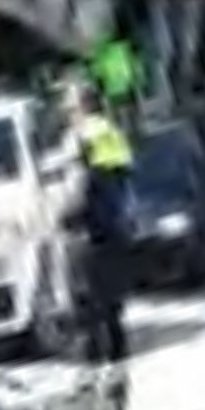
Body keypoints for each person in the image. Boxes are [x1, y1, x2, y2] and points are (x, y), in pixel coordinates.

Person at [67, 84, 137, 386]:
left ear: (80, 106)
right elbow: (124, 183)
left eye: (69, 104)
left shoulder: (82, 136)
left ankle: (90, 381)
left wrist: (63, 219)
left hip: (91, 235)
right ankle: (119, 379)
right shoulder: (113, 133)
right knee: (112, 312)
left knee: (87, 312)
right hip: (117, 233)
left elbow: (79, 187)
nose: (67, 110)